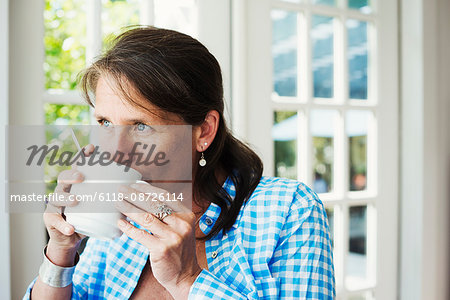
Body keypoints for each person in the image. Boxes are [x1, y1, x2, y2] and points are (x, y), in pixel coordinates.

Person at [24, 26, 335, 299]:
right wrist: (60, 254)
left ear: (204, 131)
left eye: (141, 126)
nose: (115, 151)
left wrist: (187, 280)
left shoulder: (289, 211)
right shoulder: (116, 220)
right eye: (105, 123)